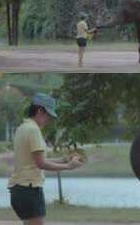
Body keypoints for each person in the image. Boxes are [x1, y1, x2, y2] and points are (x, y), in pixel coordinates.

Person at [8, 93, 83, 225]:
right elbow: (41, 163)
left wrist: (64, 159)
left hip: (18, 190)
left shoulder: (22, 128)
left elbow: (35, 160)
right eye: (48, 115)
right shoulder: (33, 130)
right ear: (39, 110)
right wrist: (68, 167)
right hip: (29, 189)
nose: (49, 119)